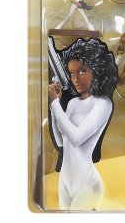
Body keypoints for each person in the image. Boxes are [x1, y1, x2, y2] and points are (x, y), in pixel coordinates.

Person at [48, 37, 118, 210]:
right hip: (65, 180)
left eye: (82, 71)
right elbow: (61, 141)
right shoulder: (73, 103)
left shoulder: (102, 104)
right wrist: (54, 106)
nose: (75, 79)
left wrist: (55, 104)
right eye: (72, 73)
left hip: (87, 185)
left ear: (97, 69)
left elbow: (76, 138)